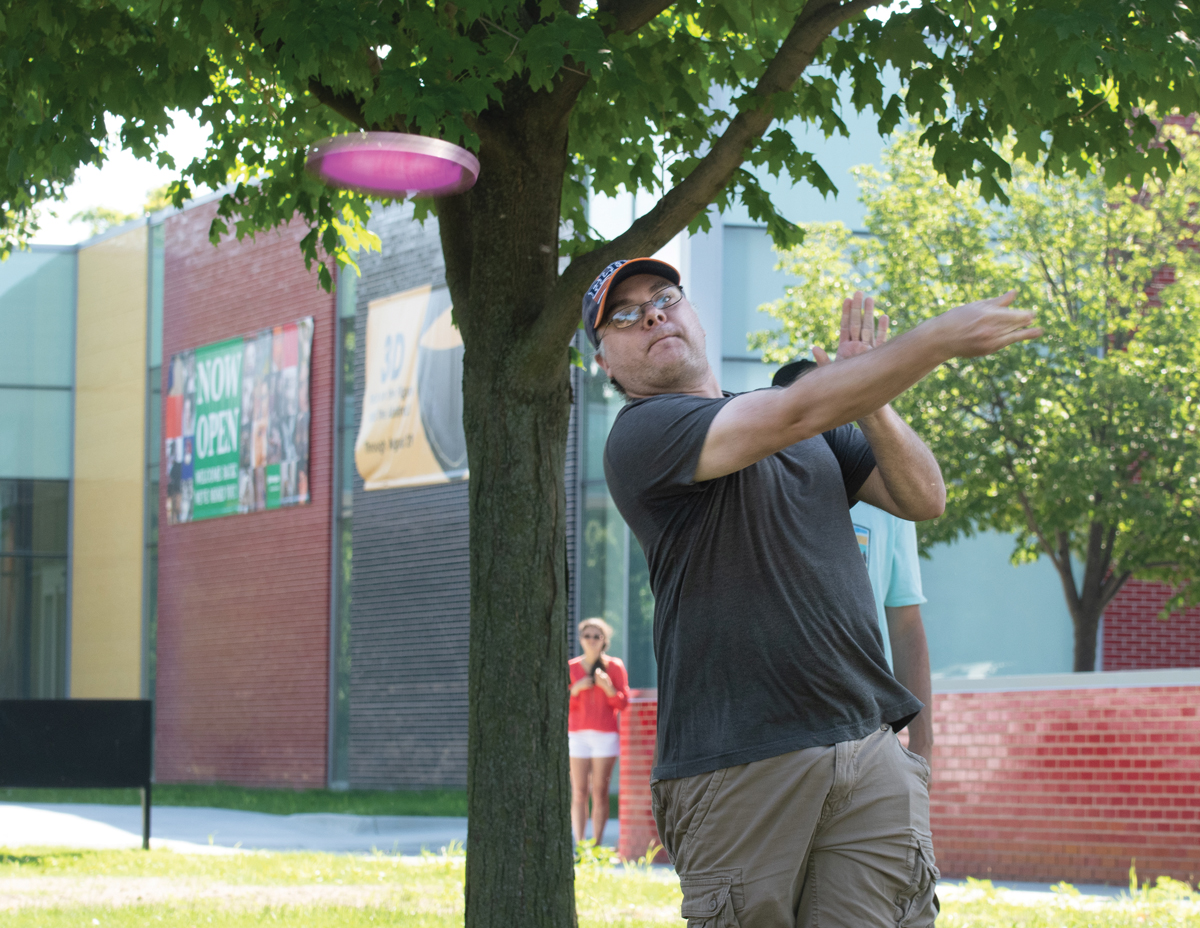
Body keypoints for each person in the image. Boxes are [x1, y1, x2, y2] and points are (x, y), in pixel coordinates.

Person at [584, 256, 1039, 927]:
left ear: (694, 313)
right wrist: (934, 339)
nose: (653, 313)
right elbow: (798, 406)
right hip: (740, 767)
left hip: (865, 746)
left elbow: (923, 496)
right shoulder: (643, 435)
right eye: (625, 315)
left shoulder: (807, 430)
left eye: (665, 296)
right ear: (606, 365)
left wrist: (872, 399)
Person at [773, 362, 934, 766]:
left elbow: (906, 622)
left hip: (866, 726)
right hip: (776, 725)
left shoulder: (893, 498)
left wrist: (925, 741)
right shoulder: (759, 486)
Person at [568, 617, 630, 845]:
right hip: (577, 735)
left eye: (597, 636)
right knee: (579, 791)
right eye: (587, 636)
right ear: (581, 639)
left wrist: (608, 689)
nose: (592, 640)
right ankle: (580, 844)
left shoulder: (614, 666)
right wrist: (574, 690)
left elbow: (623, 704)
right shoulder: (571, 667)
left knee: (600, 790)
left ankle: (597, 845)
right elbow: (561, 704)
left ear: (604, 640)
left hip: (605, 736)